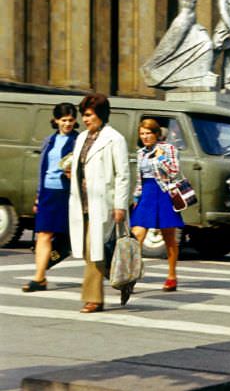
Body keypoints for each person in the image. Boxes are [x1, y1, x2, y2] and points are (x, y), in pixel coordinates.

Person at [67, 94, 130, 313]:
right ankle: (122, 278)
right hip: (82, 202)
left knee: (94, 251)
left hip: (103, 203)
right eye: (83, 115)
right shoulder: (82, 137)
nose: (85, 120)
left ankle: (93, 298)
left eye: (89, 115)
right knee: (91, 251)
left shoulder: (115, 139)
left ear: (101, 115)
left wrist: (120, 205)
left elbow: (123, 175)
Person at [22, 103, 79, 292]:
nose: (67, 124)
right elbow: (42, 169)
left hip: (66, 194)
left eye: (71, 120)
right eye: (64, 120)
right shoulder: (49, 140)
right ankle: (39, 278)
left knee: (74, 237)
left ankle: (112, 273)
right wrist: (38, 196)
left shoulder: (78, 140)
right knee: (43, 234)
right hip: (48, 192)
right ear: (56, 120)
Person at [130, 119, 184, 290]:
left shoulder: (169, 149)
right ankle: (131, 275)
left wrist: (160, 157)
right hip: (146, 194)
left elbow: (173, 172)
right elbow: (139, 179)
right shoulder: (140, 153)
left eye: (148, 133)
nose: (145, 137)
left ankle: (172, 275)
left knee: (169, 237)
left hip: (164, 193)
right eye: (142, 134)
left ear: (156, 134)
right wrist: (136, 198)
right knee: (137, 235)